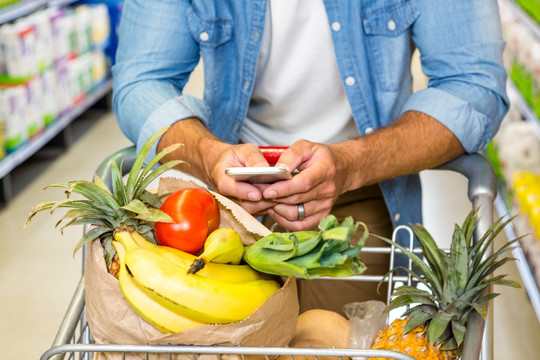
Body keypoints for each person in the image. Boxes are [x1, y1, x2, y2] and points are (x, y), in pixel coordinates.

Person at [112, 0, 509, 315]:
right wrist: (207, 153)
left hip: (358, 189)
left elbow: (473, 84)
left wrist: (353, 164)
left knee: (331, 337)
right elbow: (141, 79)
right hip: (223, 189)